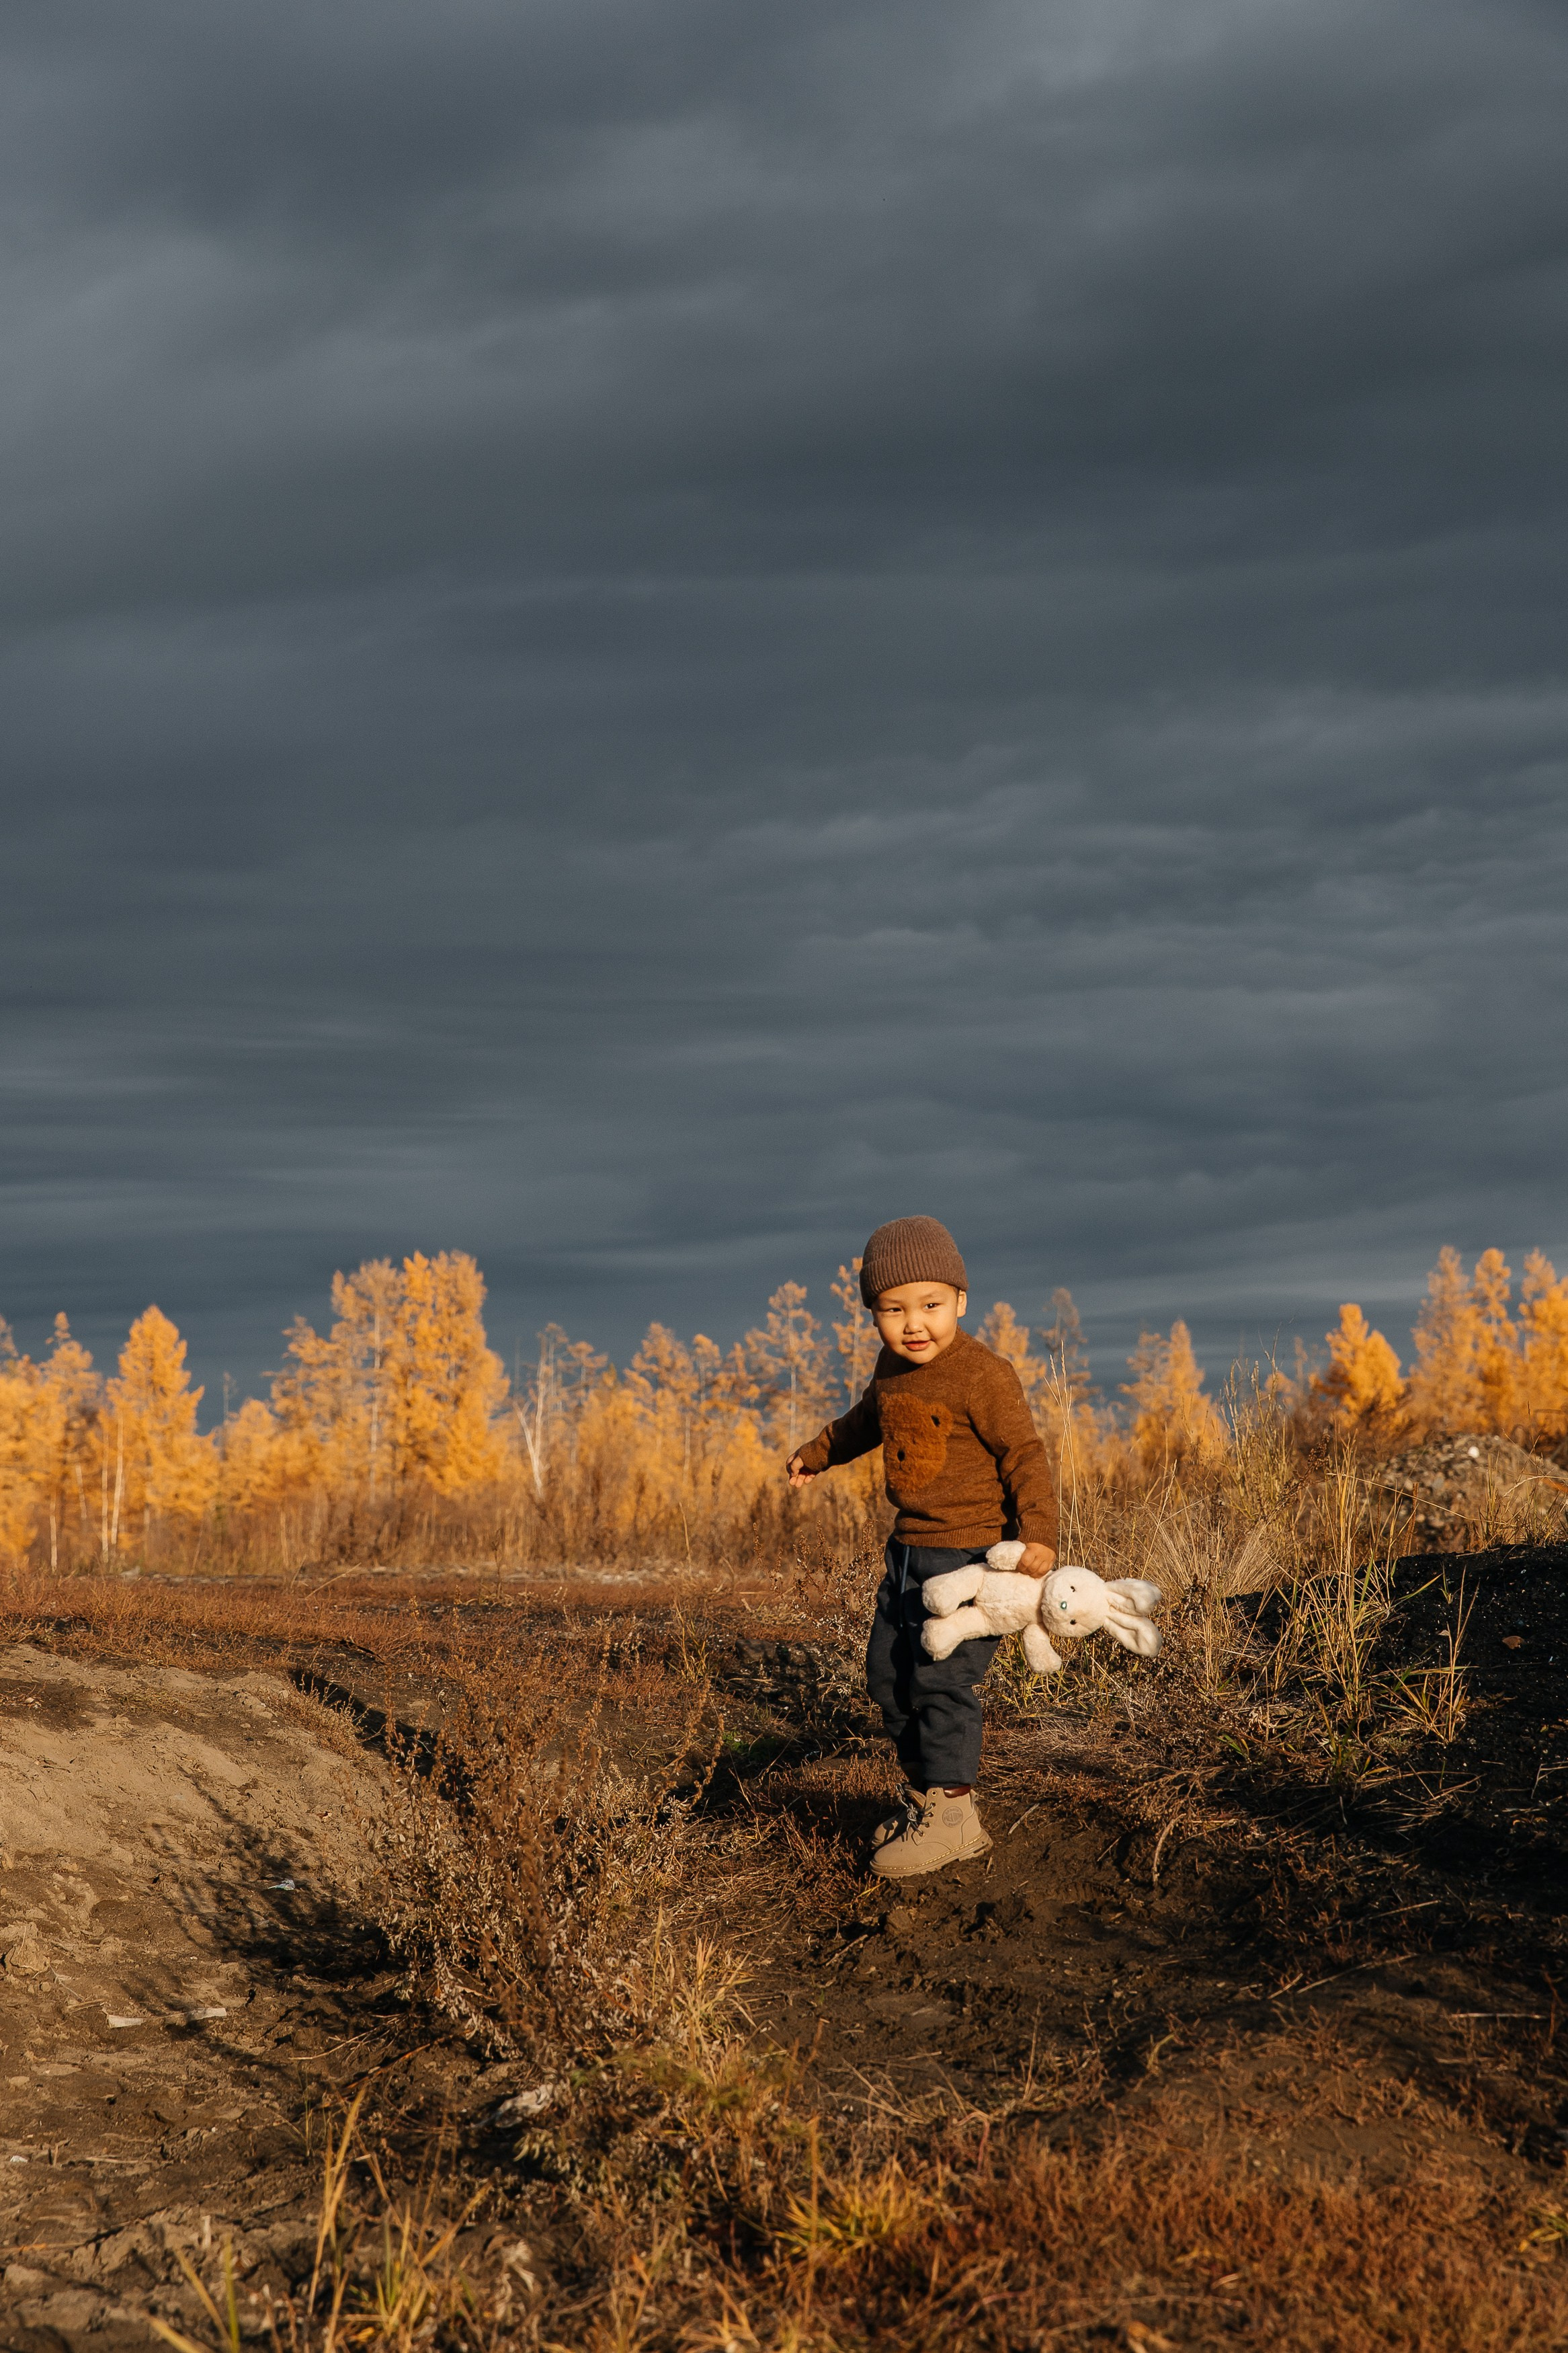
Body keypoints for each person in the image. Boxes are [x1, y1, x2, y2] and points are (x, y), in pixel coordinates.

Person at [786, 1215, 1058, 1878]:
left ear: (960, 1301)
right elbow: (865, 1421)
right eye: (893, 1309)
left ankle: (955, 1817)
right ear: (873, 1314)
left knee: (942, 1680)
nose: (914, 1324)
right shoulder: (890, 1369)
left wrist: (1038, 1534)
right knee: (888, 1676)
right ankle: (923, 1799)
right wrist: (818, 1453)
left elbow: (1023, 1454)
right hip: (906, 1552)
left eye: (931, 1305)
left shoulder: (982, 1375)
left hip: (970, 1560)